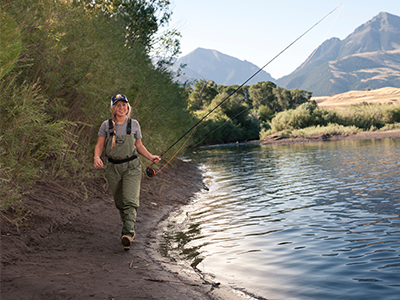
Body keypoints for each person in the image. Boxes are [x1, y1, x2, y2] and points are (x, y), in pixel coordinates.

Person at [94, 94, 161, 250]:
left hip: (132, 166)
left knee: (130, 200)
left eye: (124, 105)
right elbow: (99, 144)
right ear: (113, 108)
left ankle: (128, 234)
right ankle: (129, 228)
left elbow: (139, 145)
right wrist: (97, 157)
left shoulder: (134, 124)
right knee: (120, 203)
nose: (121, 108)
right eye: (118, 105)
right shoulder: (106, 125)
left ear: (128, 107)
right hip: (112, 168)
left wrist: (151, 156)